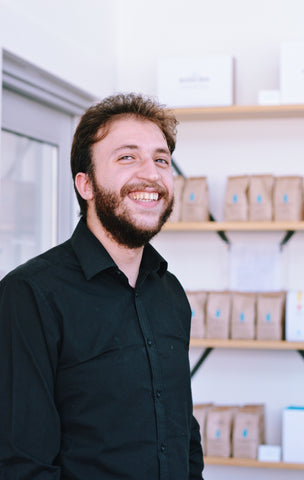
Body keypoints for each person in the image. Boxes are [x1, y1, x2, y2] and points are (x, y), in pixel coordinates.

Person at [0, 93, 204, 480]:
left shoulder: (170, 293)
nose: (151, 174)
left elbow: (183, 433)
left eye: (161, 159)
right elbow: (22, 463)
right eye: (127, 157)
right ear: (86, 185)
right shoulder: (30, 295)